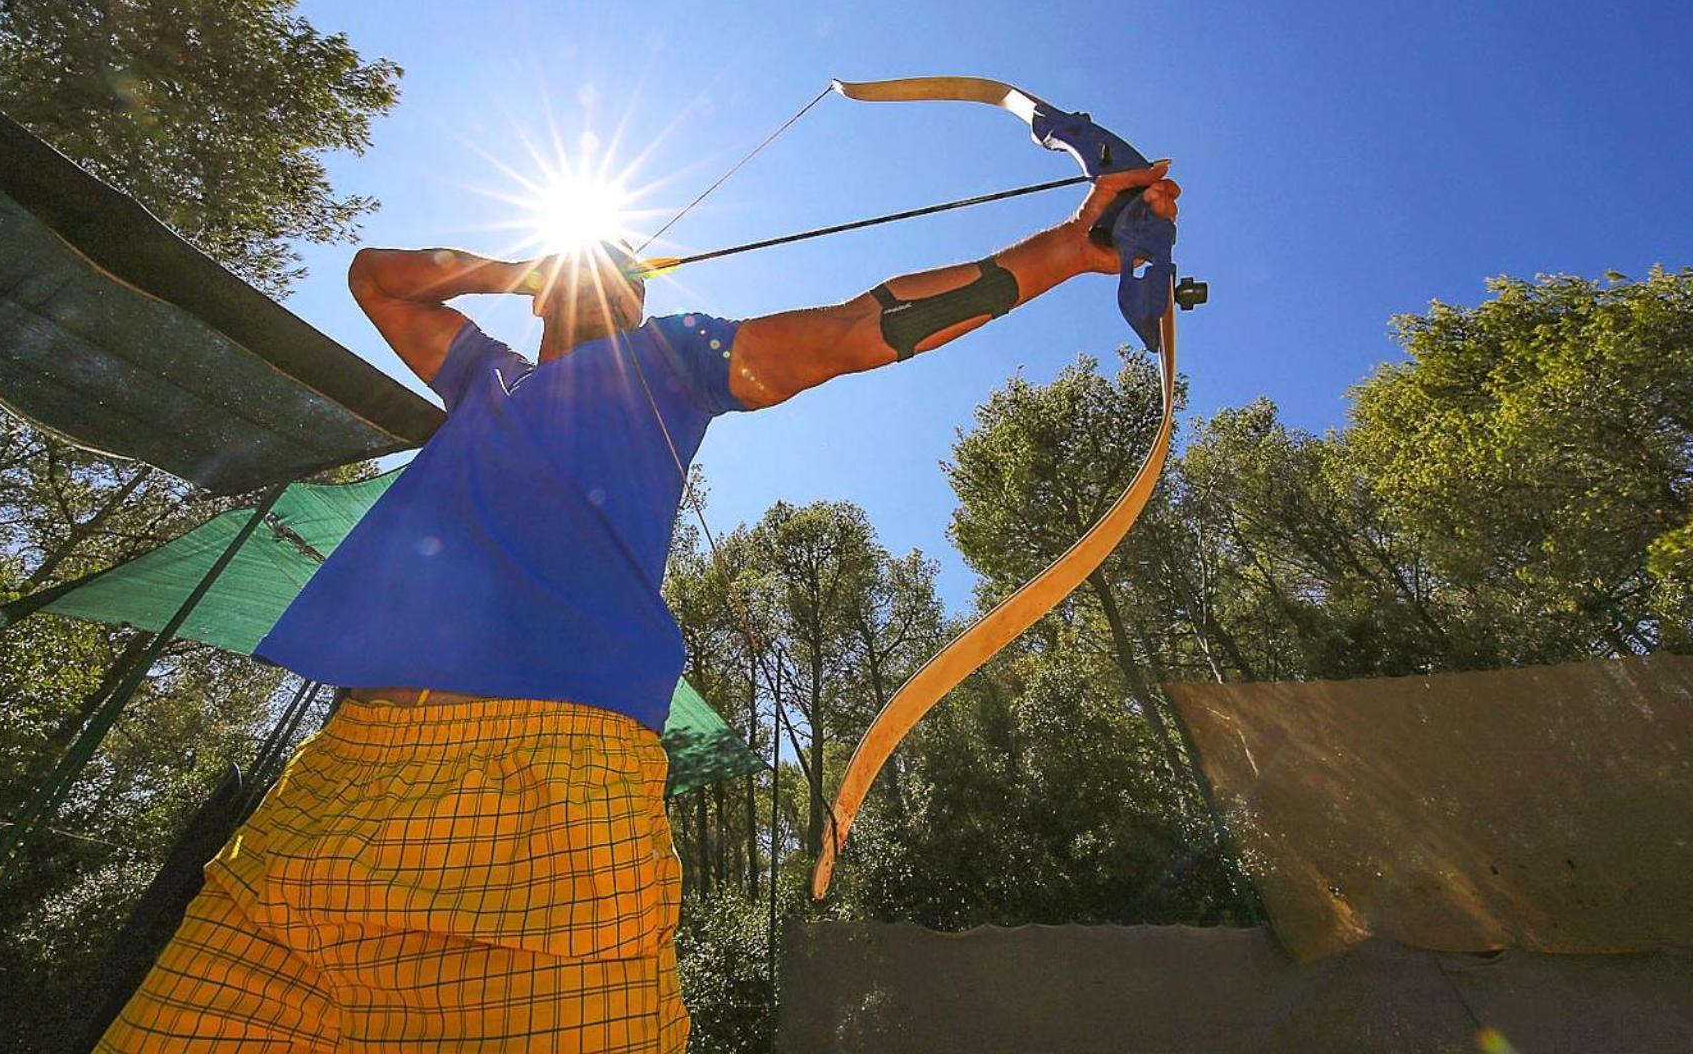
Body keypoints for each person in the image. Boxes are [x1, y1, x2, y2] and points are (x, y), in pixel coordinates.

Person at [96, 161, 1180, 1053]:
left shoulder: (673, 361)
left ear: (637, 300)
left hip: (553, 784)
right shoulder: (489, 379)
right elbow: (379, 278)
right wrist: (524, 266)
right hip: (342, 783)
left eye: (609, 279)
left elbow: (854, 329)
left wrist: (1062, 251)